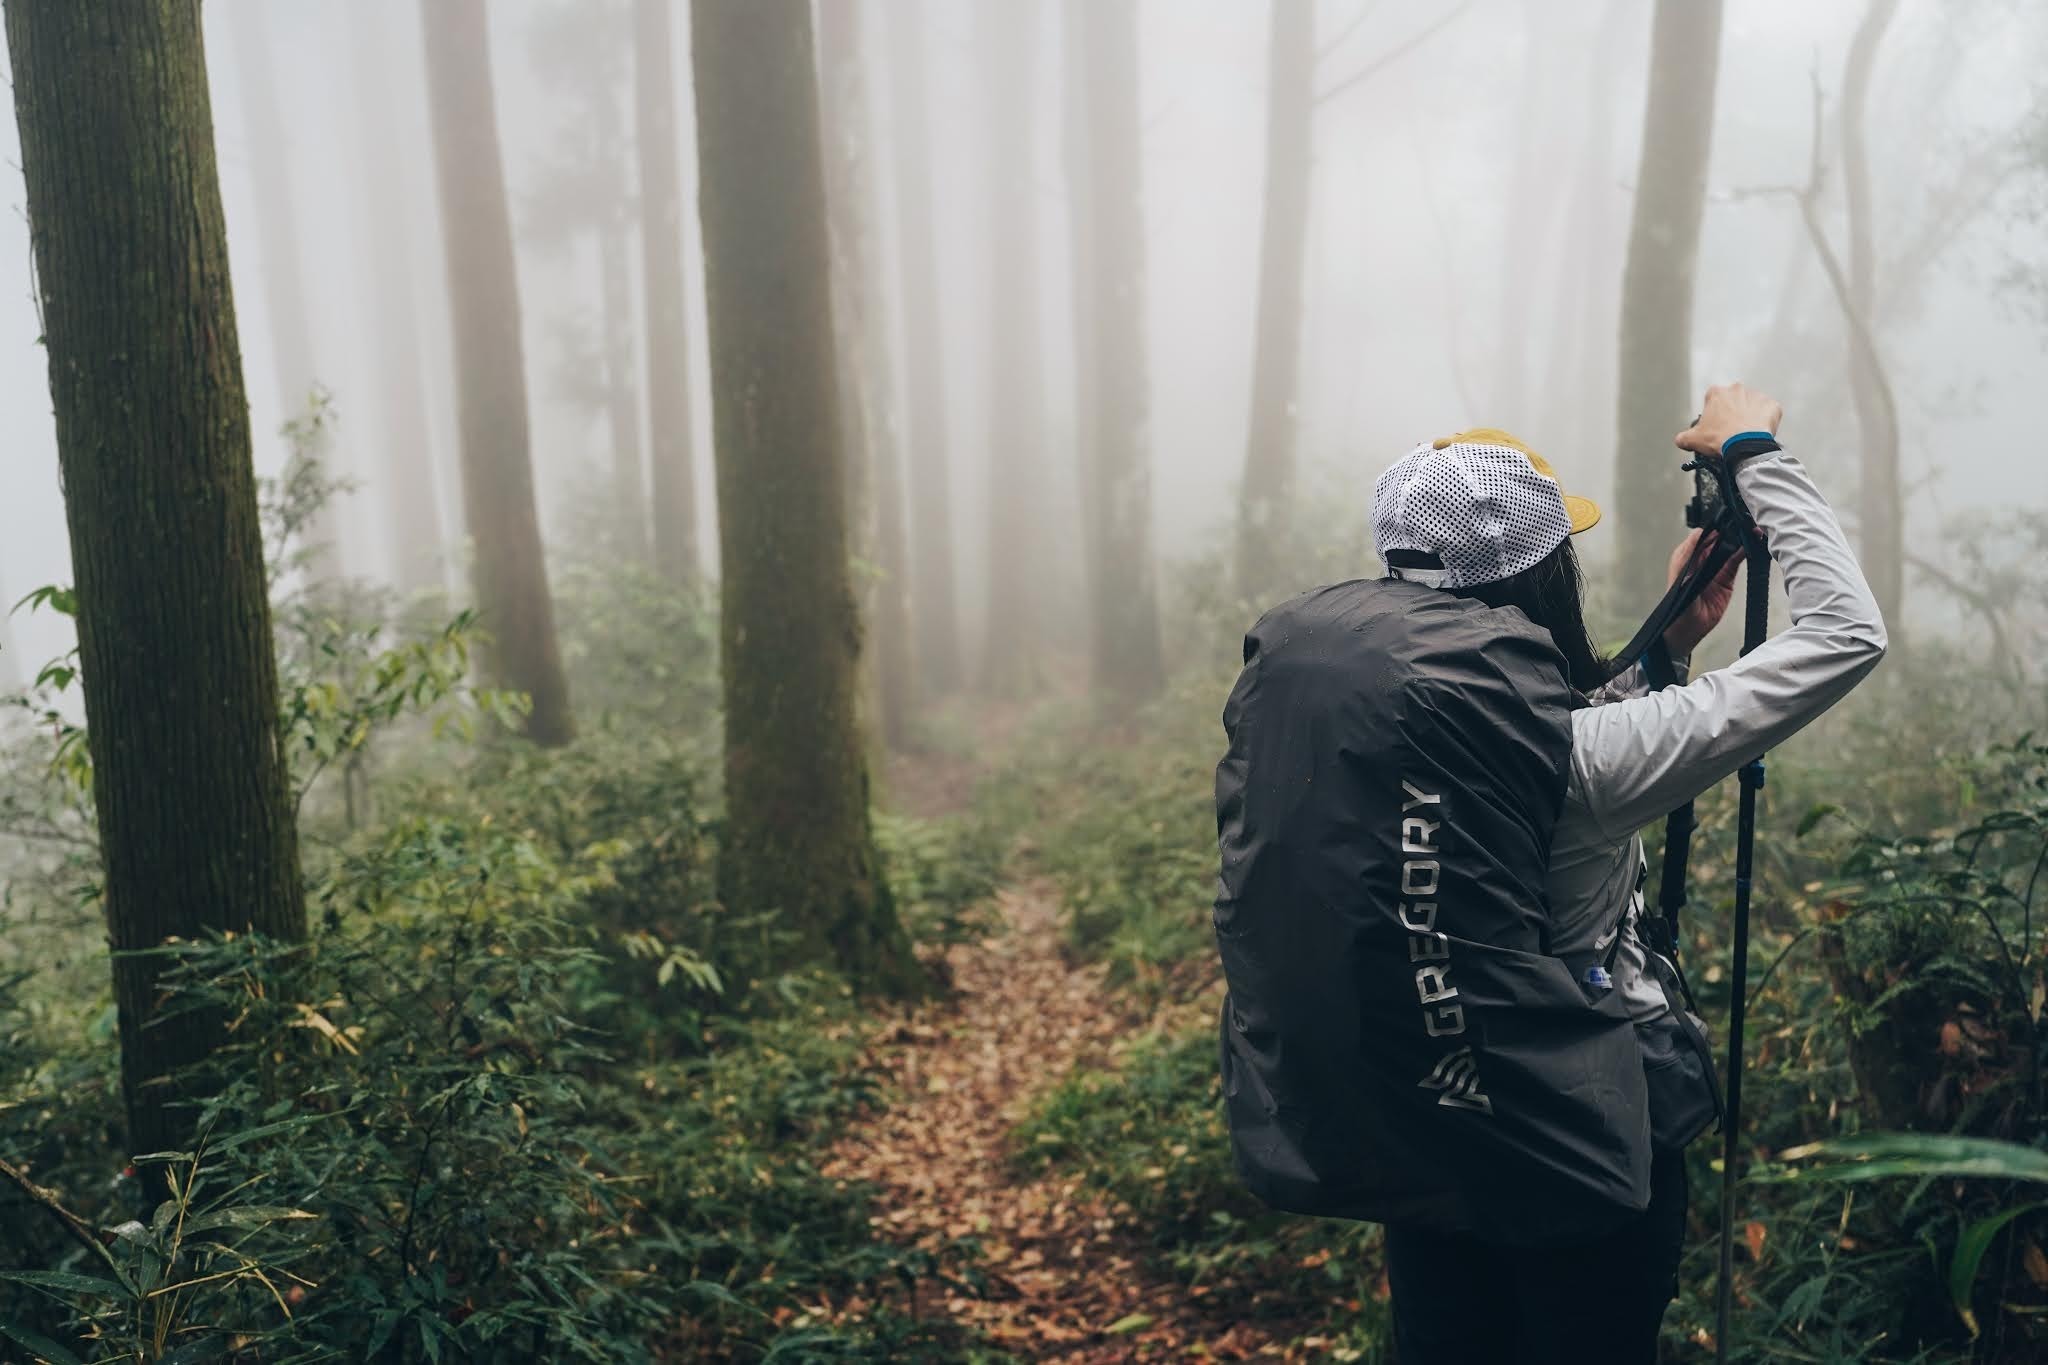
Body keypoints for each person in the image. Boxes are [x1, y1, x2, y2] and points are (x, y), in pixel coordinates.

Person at [1369, 383, 1887, 1363]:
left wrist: (1663, 648)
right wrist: (1749, 455)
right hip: (1584, 1155)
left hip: (1431, 1134)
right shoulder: (1577, 764)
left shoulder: (1367, 731)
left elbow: (1547, 733)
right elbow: (1843, 635)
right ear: (1540, 583)